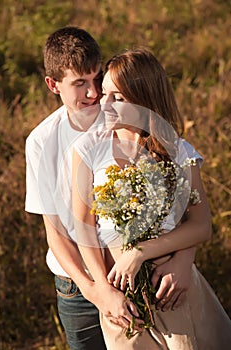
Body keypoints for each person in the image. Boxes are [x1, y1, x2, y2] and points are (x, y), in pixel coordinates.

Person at [25, 27, 197, 349]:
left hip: (145, 274)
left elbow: (182, 207)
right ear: (53, 85)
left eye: (97, 79)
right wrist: (98, 291)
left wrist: (184, 260)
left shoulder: (124, 116)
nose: (93, 93)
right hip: (78, 285)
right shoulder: (42, 142)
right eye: (80, 84)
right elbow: (57, 232)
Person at [72, 48, 231, 349]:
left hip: (173, 289)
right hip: (121, 301)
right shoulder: (88, 149)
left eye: (117, 98)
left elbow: (200, 224)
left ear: (144, 100)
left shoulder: (179, 151)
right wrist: (104, 291)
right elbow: (84, 228)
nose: (104, 104)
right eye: (104, 93)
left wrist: (145, 254)